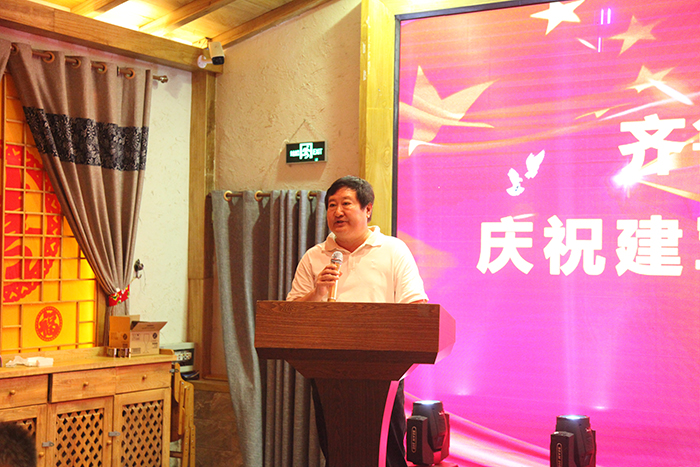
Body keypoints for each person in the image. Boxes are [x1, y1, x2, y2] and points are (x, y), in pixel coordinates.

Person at [287, 175, 428, 467]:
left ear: (368, 209)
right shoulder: (314, 257)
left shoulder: (393, 250)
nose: (337, 212)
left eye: (346, 204)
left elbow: (416, 307)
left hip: (384, 373)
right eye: (331, 205)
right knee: (336, 454)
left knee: (388, 457)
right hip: (327, 372)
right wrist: (318, 292)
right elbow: (291, 319)